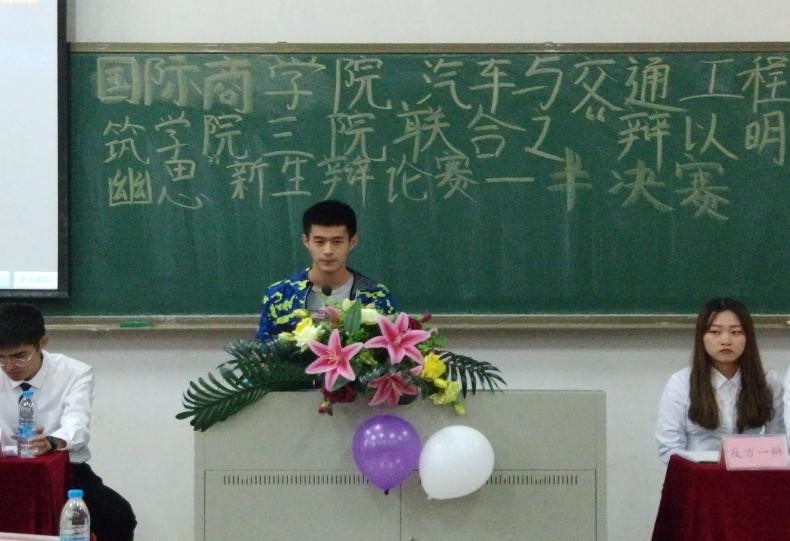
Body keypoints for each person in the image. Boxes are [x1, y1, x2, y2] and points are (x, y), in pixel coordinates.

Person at [0, 303, 137, 540]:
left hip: (65, 471)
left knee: (117, 516)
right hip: (6, 471)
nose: (10, 367)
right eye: (1, 358)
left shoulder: (74, 372)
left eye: (19, 356)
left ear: (43, 343)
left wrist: (52, 442)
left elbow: (77, 423)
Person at [655, 298, 784, 463]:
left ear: (748, 337)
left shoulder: (768, 381)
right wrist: (718, 464)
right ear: (702, 337)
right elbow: (669, 449)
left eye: (736, 332)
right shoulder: (681, 383)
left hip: (751, 474)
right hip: (698, 474)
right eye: (715, 332)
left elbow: (779, 444)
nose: (726, 341)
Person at [256, 199, 395, 340]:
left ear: (352, 242)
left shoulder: (375, 295)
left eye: (337, 242)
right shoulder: (279, 294)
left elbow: (387, 347)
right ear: (306, 241)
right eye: (319, 242)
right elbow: (261, 350)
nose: (328, 251)